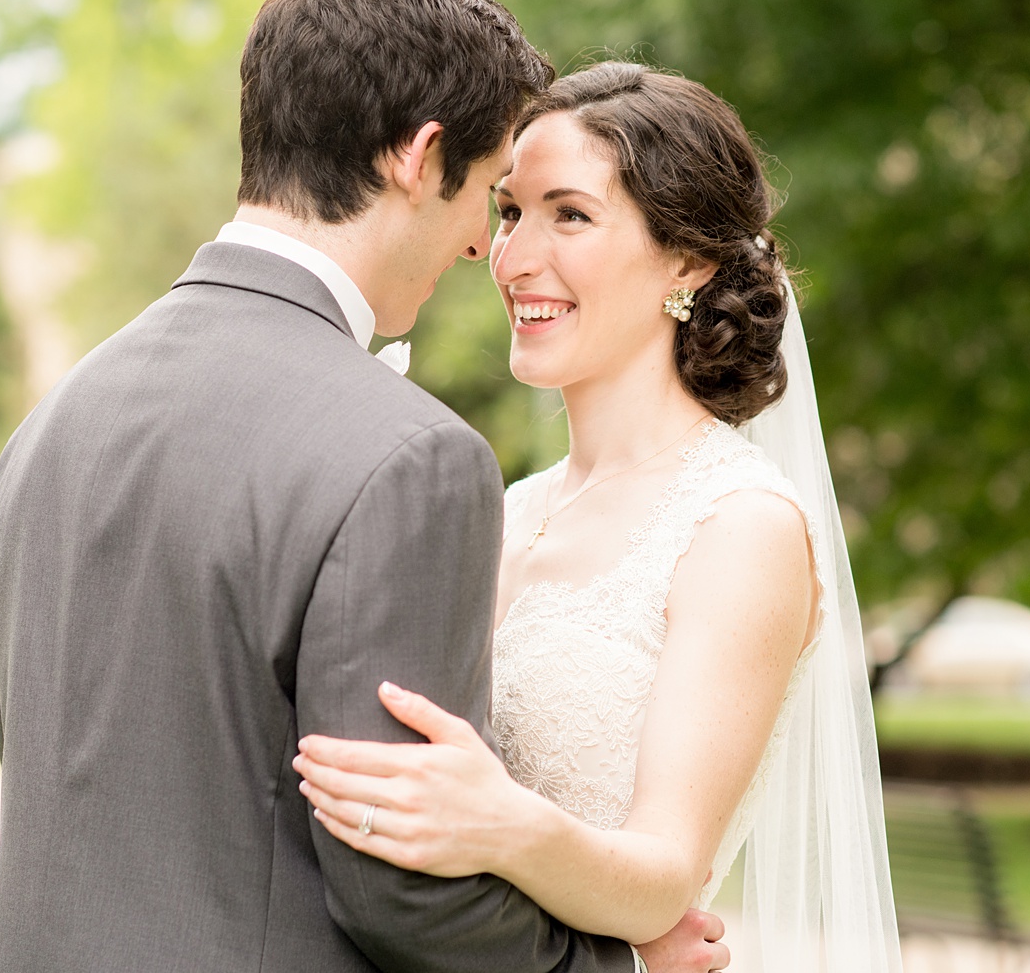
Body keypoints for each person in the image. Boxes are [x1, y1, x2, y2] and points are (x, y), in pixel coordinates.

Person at [0, 0, 725, 973]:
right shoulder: (408, 459)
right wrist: (620, 965)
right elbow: (397, 889)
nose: (483, 248)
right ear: (417, 159)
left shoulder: (57, 419)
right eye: (491, 195)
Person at [294, 63, 905, 971]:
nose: (513, 257)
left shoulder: (740, 527)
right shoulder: (504, 507)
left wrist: (501, 824)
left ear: (689, 262)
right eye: (508, 212)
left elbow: (663, 872)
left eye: (569, 214)